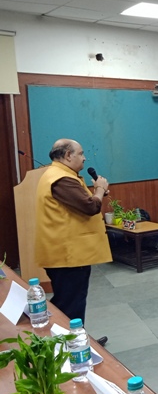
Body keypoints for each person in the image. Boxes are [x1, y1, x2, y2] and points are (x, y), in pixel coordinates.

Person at [35, 139, 112, 328]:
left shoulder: (58, 174)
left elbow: (79, 203)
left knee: (70, 300)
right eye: (81, 153)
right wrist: (100, 189)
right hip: (68, 256)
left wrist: (98, 193)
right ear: (68, 155)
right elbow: (90, 207)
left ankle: (76, 336)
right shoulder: (62, 179)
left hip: (67, 253)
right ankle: (71, 341)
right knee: (70, 304)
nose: (84, 158)